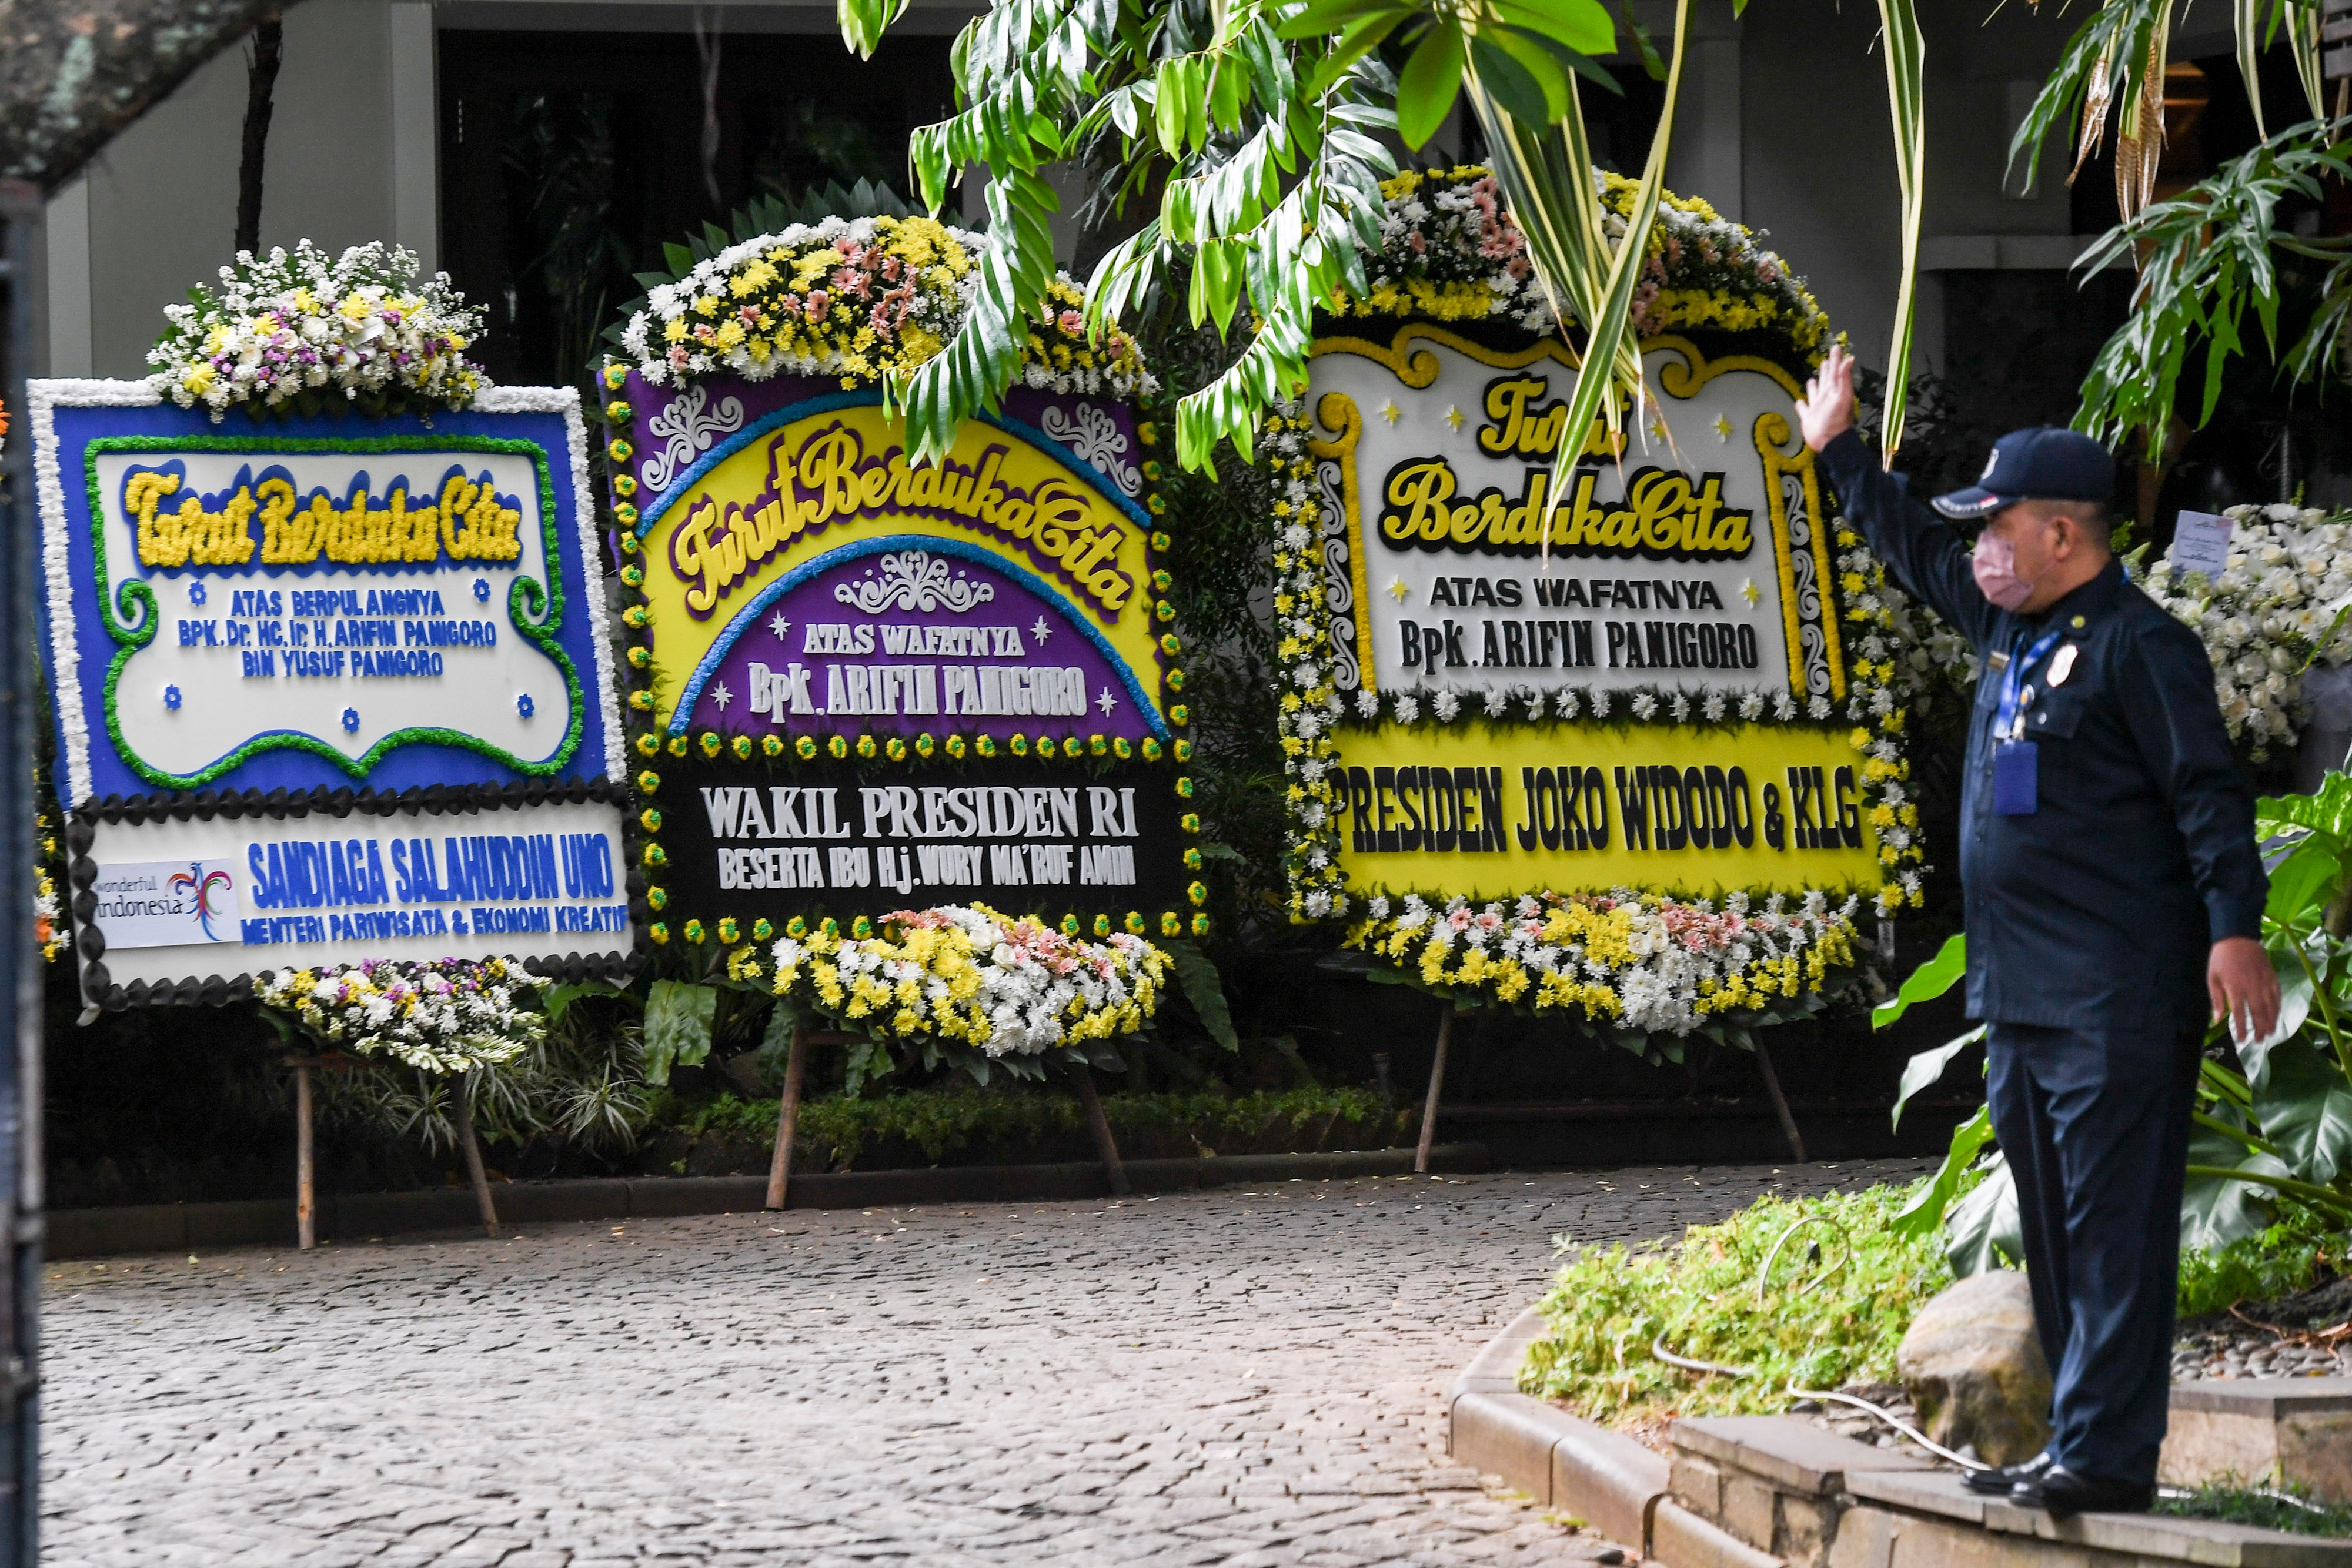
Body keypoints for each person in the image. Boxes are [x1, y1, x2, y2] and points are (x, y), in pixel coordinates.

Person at [1794, 345, 2280, 1517]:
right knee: (2058, 1235)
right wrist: (1838, 452)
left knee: (2112, 1232)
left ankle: (2108, 1457)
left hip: (2114, 998)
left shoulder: (2140, 647)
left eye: (1997, 528)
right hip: (2019, 999)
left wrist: (2232, 929)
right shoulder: (2009, 627)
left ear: (2061, 533)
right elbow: (1912, 549)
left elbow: (2209, 799)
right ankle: (2078, 1442)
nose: (1978, 548)